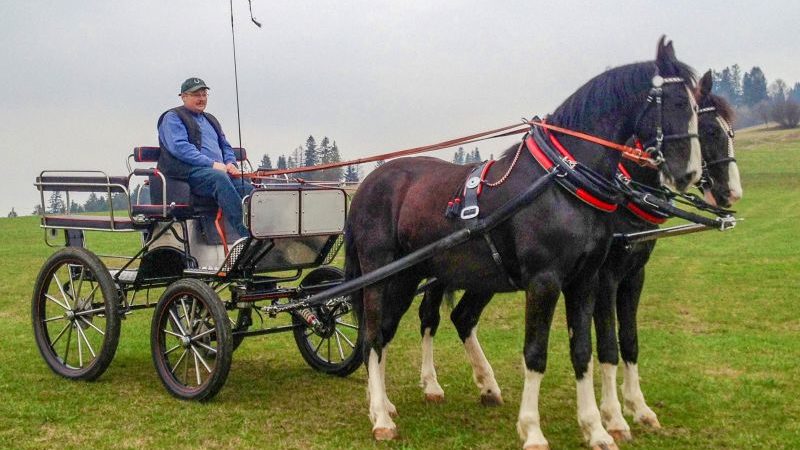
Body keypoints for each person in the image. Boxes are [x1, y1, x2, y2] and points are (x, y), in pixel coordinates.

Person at [157, 77, 253, 237]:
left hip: (217, 171)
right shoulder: (172, 117)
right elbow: (180, 148)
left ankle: (266, 232)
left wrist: (230, 162)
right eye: (196, 95)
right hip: (187, 173)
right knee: (218, 178)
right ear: (183, 97)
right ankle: (246, 235)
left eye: (204, 94)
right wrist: (212, 164)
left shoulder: (210, 119)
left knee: (248, 188)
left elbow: (225, 146)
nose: (201, 98)